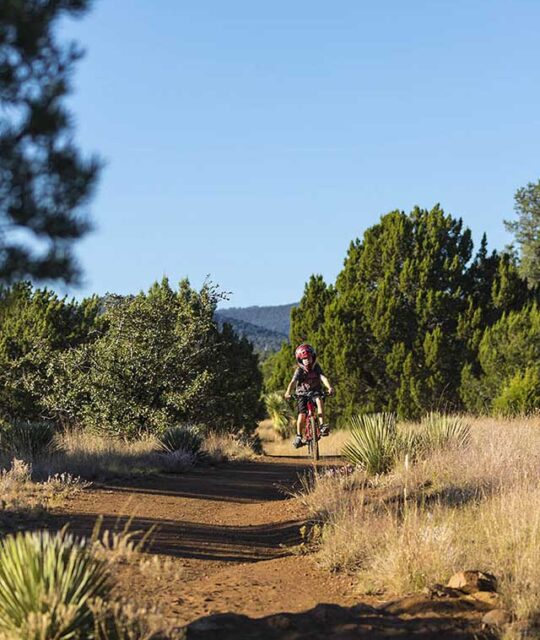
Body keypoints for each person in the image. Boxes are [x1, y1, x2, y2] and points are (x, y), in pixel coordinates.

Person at [284, 343, 334, 449]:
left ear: (313, 357)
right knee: (302, 415)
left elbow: (323, 378)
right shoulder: (299, 370)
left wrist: (329, 387)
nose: (307, 360)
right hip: (301, 394)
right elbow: (293, 382)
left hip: (315, 392)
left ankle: (321, 426)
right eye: (304, 359)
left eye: (309, 358)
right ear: (300, 360)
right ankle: (298, 436)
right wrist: (288, 392)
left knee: (319, 400)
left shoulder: (316, 368)